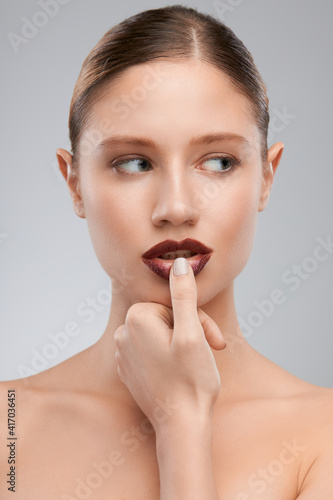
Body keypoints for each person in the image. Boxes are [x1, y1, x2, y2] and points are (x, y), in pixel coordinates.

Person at [1, 4, 332, 499]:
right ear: (73, 184)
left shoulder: (322, 435)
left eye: (219, 161)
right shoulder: (8, 428)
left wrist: (180, 422)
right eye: (133, 163)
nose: (175, 207)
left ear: (267, 176)